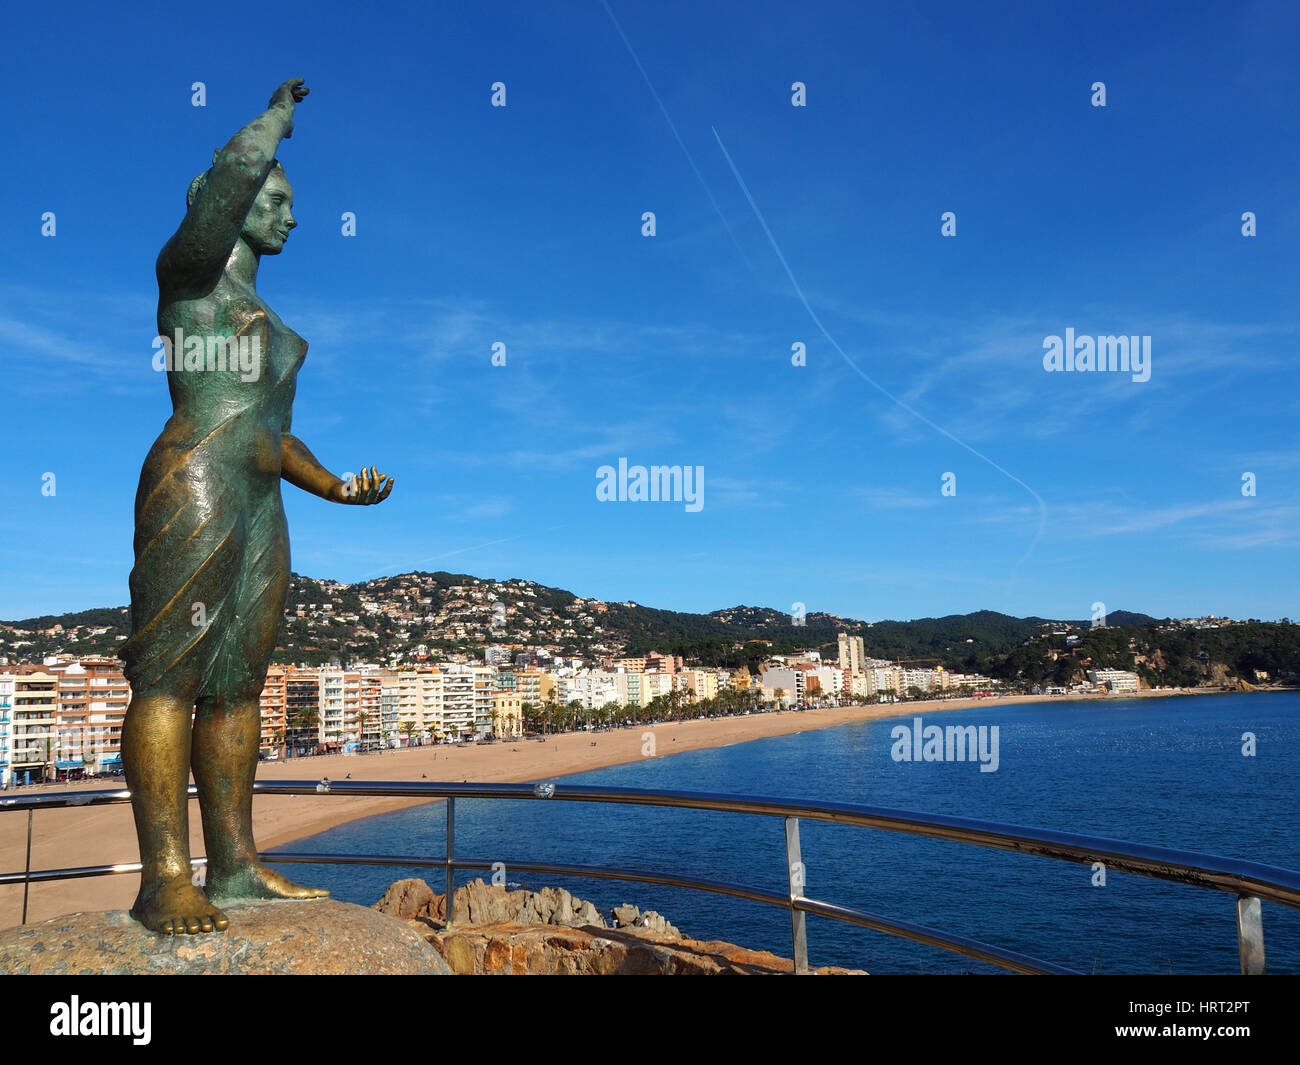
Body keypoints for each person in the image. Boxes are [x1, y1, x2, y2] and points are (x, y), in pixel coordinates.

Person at [119, 79, 394, 936]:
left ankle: (233, 864)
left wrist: (339, 487)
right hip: (195, 476)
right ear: (230, 204)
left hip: (262, 498)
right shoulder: (189, 275)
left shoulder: (272, 321)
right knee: (171, 674)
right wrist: (272, 126)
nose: (292, 217)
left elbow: (277, 436)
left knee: (238, 684)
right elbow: (231, 180)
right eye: (275, 200)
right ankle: (166, 874)